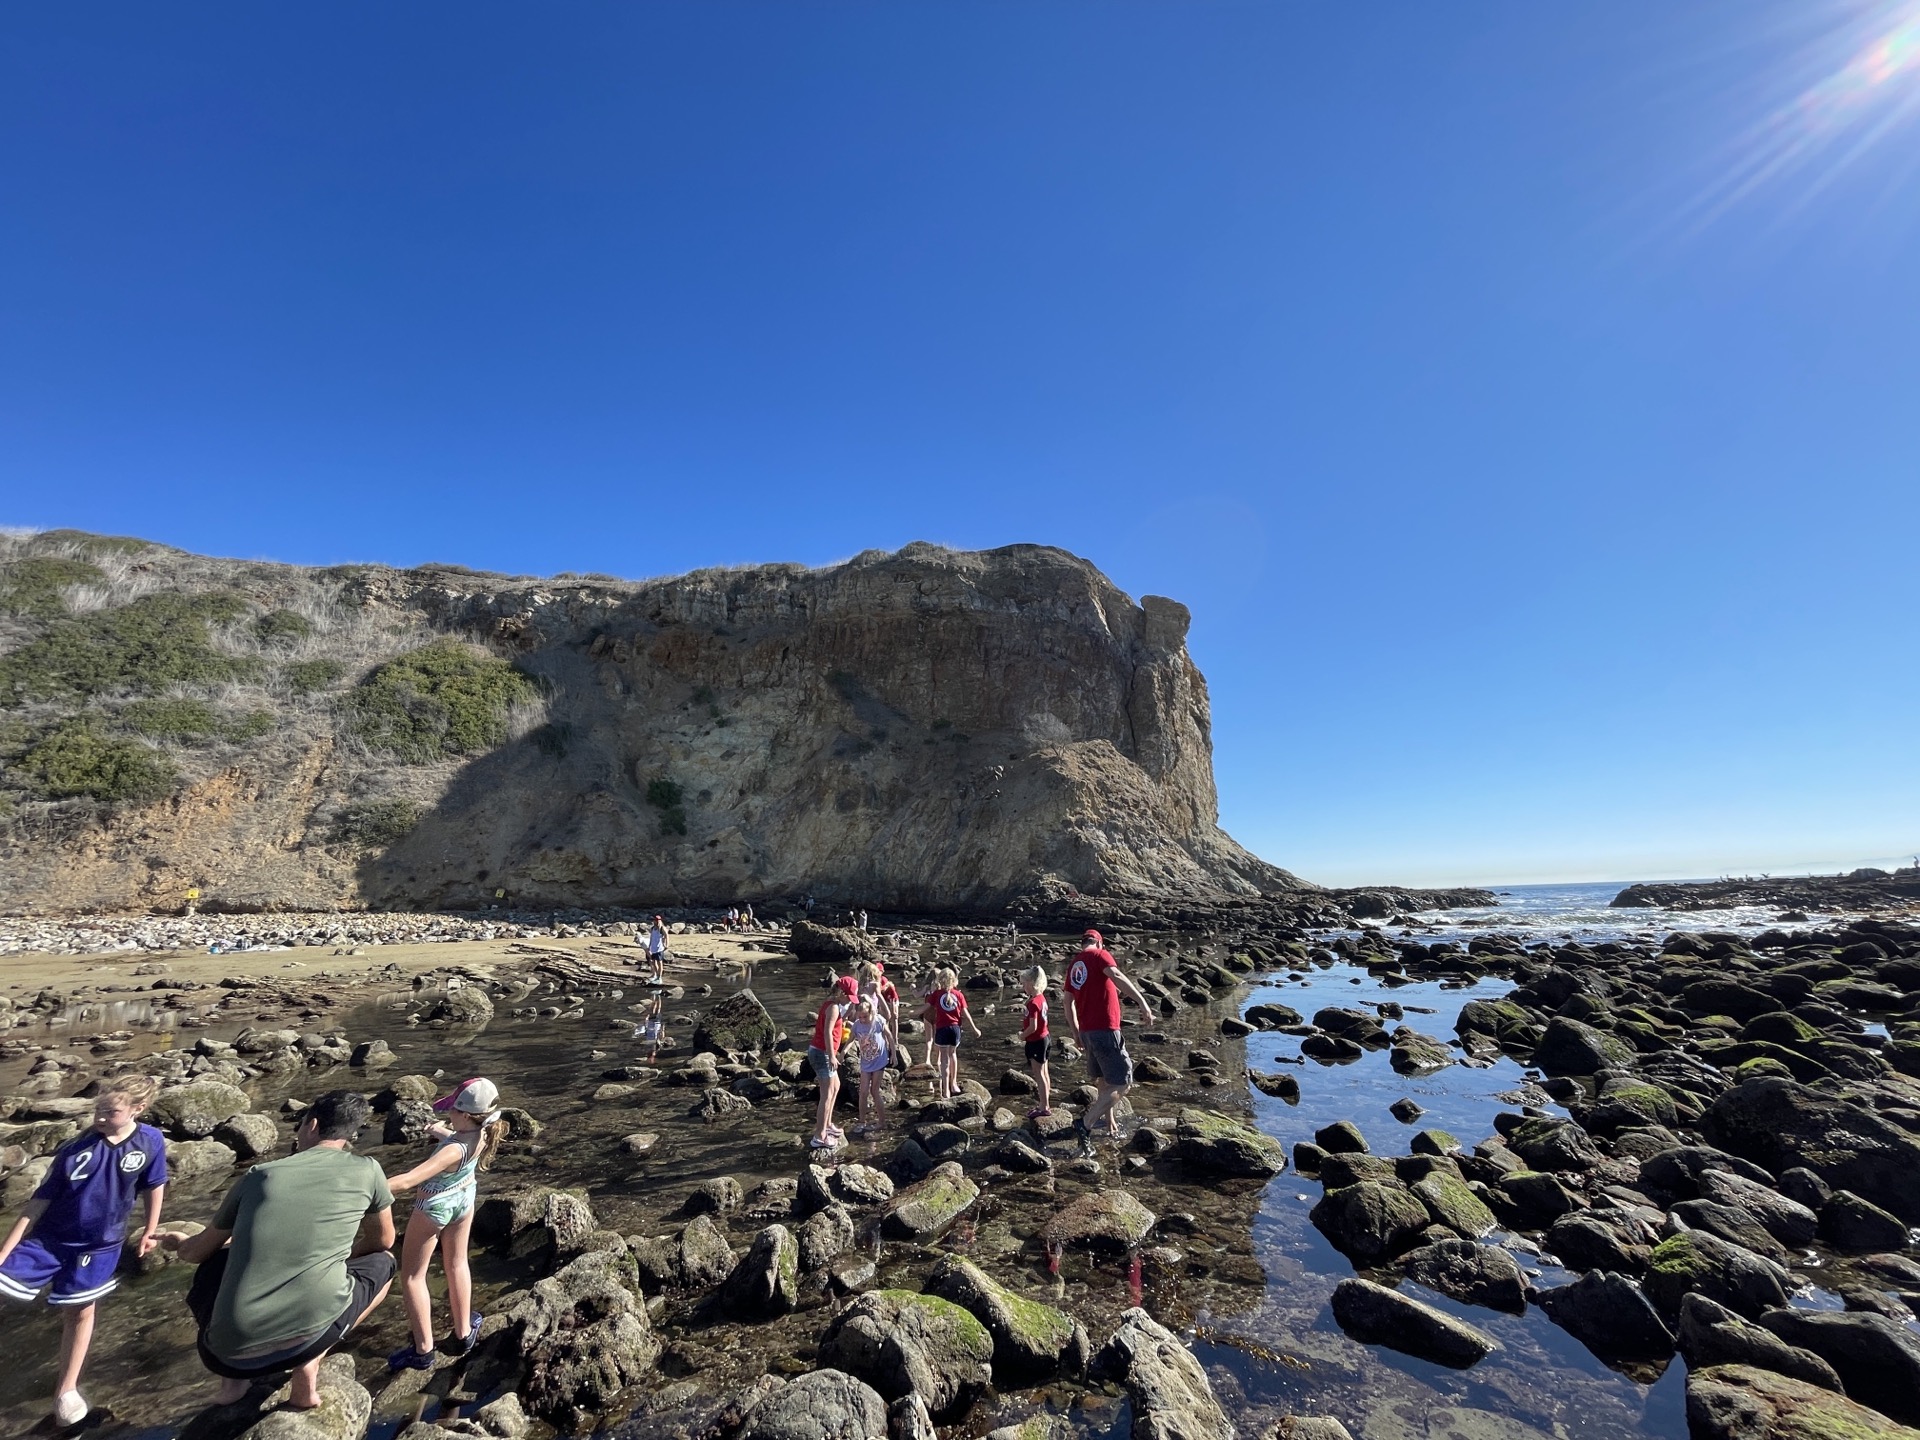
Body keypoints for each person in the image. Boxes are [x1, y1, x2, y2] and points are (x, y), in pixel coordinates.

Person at [165, 1090, 396, 1410]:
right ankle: (312, 1361)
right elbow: (383, 1241)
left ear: (312, 1125)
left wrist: (179, 1243)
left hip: (222, 1356)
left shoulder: (259, 1176)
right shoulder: (368, 1169)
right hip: (309, 1340)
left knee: (215, 1263)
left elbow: (196, 1253)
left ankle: (232, 1384)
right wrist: (345, 1261)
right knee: (385, 1263)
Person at [0, 1075, 168, 1426]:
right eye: (98, 1110)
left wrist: (150, 1229)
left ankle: (66, 1390)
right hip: (48, 1241)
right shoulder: (76, 1148)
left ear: (138, 1109)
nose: (101, 1117)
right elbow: (38, 1203)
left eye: (111, 1112)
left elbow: (154, 1185)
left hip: (100, 1246)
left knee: (80, 1312)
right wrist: (5, 1251)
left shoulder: (151, 1140)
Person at [384, 1078, 506, 1371]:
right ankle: (464, 1333)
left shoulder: (452, 1150)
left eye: (452, 1110)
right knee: (457, 1263)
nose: (448, 1113)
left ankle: (423, 1350)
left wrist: (364, 1186)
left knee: (413, 1277)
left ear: (465, 1115)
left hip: (434, 1208)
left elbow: (409, 1180)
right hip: (463, 1200)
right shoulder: (484, 1132)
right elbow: (458, 1139)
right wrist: (438, 1130)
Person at [1064, 929, 1155, 1155]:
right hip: (1105, 1028)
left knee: (1104, 1079)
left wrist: (1075, 1032)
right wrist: (1142, 1002)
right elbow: (1116, 976)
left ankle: (1109, 1121)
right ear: (1099, 943)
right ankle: (1085, 1123)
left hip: (1087, 1031)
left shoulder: (1074, 965)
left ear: (1082, 943)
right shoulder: (1099, 955)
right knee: (1123, 1082)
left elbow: (1067, 1003)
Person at [807, 975, 858, 1149]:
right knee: (827, 1095)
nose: (849, 1001)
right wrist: (831, 1055)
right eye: (849, 997)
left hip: (822, 1052)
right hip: (821, 1053)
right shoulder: (833, 1007)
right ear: (842, 992)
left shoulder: (831, 1003)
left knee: (835, 1086)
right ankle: (819, 1136)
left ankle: (827, 1124)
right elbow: (827, 1032)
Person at [924, 967, 980, 1100]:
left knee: (944, 1060)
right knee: (953, 1054)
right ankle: (953, 1083)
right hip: (955, 1029)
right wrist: (974, 1029)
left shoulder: (937, 994)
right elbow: (966, 1014)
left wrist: (914, 1012)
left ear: (940, 981)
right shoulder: (959, 995)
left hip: (942, 1029)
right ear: (954, 981)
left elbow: (926, 1006)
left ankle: (945, 1091)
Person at [849, 995, 891, 1137]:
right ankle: (862, 1121)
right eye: (860, 1017)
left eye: (865, 1017)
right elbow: (850, 1040)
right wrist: (842, 1054)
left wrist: (894, 1053)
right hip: (866, 1061)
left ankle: (882, 1122)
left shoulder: (878, 1021)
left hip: (879, 1060)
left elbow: (889, 1036)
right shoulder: (857, 1025)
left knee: (874, 1091)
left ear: (871, 1013)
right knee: (863, 1092)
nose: (862, 1019)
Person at [1020, 966, 1053, 1118]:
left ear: (1032, 983)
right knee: (1044, 1073)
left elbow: (1033, 1026)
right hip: (1045, 1038)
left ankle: (1043, 1106)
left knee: (1039, 1075)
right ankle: (1045, 1103)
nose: (1023, 987)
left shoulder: (1033, 1003)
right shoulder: (1041, 998)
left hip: (1036, 1041)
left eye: (1024, 984)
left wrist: (1022, 1035)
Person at [645, 915, 668, 984]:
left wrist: (666, 944)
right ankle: (656, 976)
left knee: (660, 963)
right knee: (654, 962)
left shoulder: (662, 928)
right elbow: (651, 937)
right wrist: (649, 946)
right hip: (653, 948)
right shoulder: (653, 928)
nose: (654, 921)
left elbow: (666, 935)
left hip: (659, 948)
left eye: (655, 920)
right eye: (654, 920)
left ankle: (659, 977)